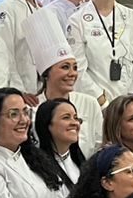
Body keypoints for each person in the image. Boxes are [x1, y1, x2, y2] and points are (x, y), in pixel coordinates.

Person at [26, 11, 102, 156]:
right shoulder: (31, 108)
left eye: (74, 67)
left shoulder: (89, 103)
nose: (72, 73)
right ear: (46, 73)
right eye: (65, 67)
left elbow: (99, 146)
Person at [36, 98, 86, 183]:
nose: (75, 123)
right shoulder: (38, 167)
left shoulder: (82, 164)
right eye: (66, 117)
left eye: (76, 118)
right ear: (47, 124)